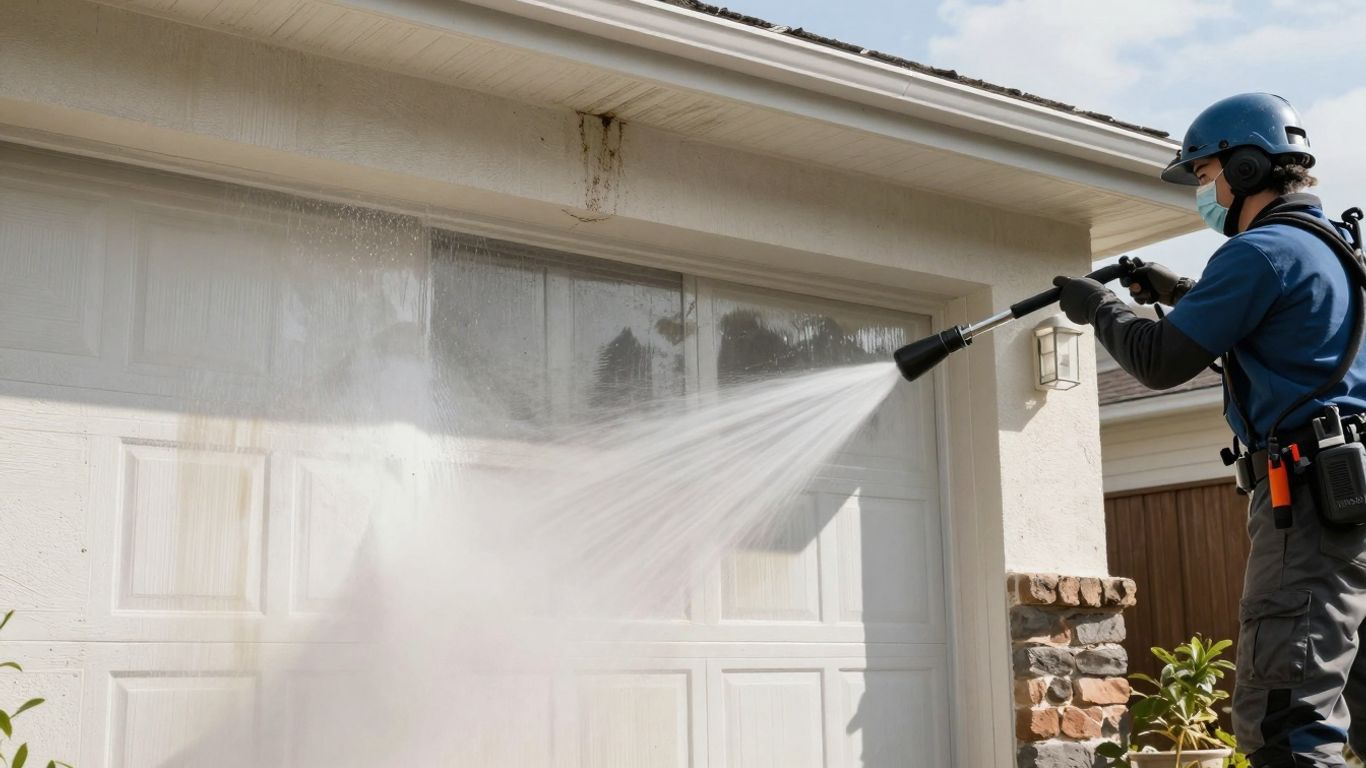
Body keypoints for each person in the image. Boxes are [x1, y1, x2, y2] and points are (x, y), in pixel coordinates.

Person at [1053, 92, 1366, 767]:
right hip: (1354, 502)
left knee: (1288, 727)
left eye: (1204, 174)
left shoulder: (1260, 252)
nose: (1203, 192)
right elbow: (1287, 330)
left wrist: (1099, 307)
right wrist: (1180, 292)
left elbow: (1159, 359)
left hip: (1311, 508)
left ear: (1246, 167)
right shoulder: (1337, 254)